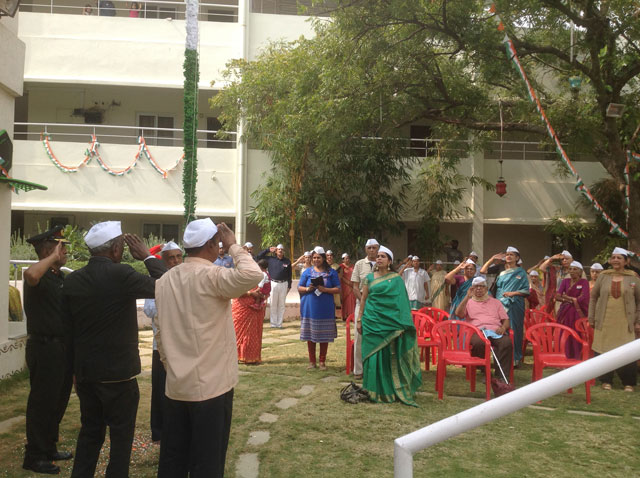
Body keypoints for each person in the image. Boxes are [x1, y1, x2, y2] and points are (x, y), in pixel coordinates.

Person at [155, 219, 262, 477]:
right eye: (219, 244)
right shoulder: (212, 276)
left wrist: (172, 368)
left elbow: (159, 333)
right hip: (211, 388)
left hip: (177, 385)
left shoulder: (165, 280)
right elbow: (253, 275)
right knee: (208, 462)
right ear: (213, 245)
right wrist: (235, 245)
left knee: (174, 459)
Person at [62, 221, 165, 478]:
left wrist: (74, 371)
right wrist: (148, 256)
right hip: (118, 375)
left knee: (90, 433)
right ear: (117, 248)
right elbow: (166, 283)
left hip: (87, 373)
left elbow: (68, 332)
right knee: (120, 438)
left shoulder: (73, 281)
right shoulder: (122, 275)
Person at [22, 226, 74, 475]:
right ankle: (34, 455)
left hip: (60, 348)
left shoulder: (57, 276)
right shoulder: (37, 274)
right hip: (43, 347)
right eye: (61, 247)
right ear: (49, 249)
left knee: (57, 402)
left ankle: (49, 446)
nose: (65, 252)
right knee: (42, 404)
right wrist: (51, 257)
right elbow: (31, 275)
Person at [357, 245, 422, 405]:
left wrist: (402, 323)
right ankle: (371, 390)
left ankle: (389, 391)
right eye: (377, 256)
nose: (378, 258)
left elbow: (401, 303)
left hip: (390, 324)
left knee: (387, 357)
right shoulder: (369, 278)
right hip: (371, 322)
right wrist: (359, 319)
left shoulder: (396, 279)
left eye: (382, 256)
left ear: (389, 261)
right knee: (372, 357)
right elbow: (364, 299)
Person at [143, 241, 183, 443]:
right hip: (161, 346)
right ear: (163, 260)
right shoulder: (157, 280)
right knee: (160, 390)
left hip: (182, 346)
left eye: (178, 257)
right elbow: (149, 310)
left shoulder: (187, 278)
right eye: (171, 258)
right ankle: (159, 432)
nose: (175, 261)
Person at [588, 247, 640, 392]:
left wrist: (637, 321)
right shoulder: (603, 276)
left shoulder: (633, 278)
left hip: (625, 322)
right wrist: (591, 317)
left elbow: (639, 301)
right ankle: (606, 380)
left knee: (627, 351)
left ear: (626, 261)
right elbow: (593, 297)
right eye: (613, 257)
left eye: (619, 258)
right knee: (604, 349)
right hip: (604, 320)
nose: (616, 260)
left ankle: (628, 382)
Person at [455, 276, 513, 382]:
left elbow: (506, 320)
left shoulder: (496, 302)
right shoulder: (468, 302)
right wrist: (467, 297)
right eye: (476, 287)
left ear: (486, 289)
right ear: (472, 289)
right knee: (479, 343)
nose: (478, 289)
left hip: (495, 330)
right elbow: (458, 314)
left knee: (506, 342)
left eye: (481, 286)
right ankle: (484, 370)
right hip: (477, 331)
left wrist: (503, 327)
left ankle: (501, 374)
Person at [481, 246, 530, 367]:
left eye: (511, 254)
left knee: (515, 329)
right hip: (499, 304)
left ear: (517, 258)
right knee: (499, 329)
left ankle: (515, 358)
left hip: (515, 304)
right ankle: (499, 357)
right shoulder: (500, 269)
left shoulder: (521, 272)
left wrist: (513, 293)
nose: (508, 256)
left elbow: (526, 291)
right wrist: (492, 259)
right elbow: (482, 271)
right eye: (507, 254)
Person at [298, 247, 340, 370]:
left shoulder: (331, 272)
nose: (316, 260)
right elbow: (299, 287)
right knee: (310, 335)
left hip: (325, 307)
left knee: (324, 335)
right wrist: (307, 289)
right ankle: (312, 362)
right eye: (314, 257)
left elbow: (338, 288)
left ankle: (322, 361)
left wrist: (325, 289)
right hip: (309, 307)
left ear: (323, 258)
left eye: (318, 257)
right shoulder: (307, 272)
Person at [350, 238, 380, 379]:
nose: (372, 250)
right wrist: (363, 301)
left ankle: (373, 369)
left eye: (374, 247)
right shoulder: (360, 264)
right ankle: (358, 370)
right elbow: (355, 286)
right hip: (361, 304)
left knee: (377, 337)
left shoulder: (383, 263)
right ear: (365, 249)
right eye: (369, 248)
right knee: (359, 336)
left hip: (378, 306)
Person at [232, 259, 271, 364]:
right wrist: (251, 293)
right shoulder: (237, 276)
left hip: (255, 309)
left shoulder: (258, 275)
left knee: (253, 332)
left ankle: (251, 357)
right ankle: (237, 356)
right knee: (238, 332)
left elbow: (265, 289)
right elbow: (234, 291)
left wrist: (262, 295)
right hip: (241, 308)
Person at [555, 261, 590, 359]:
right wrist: (572, 299)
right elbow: (557, 296)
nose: (572, 271)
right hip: (565, 312)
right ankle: (564, 355)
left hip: (577, 313)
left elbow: (584, 298)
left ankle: (576, 356)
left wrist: (568, 298)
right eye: (570, 269)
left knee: (576, 333)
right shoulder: (565, 281)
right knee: (564, 333)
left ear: (580, 271)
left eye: (575, 269)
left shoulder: (584, 282)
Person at [257, 244, 292, 328]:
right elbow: (258, 257)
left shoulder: (287, 261)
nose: (280, 250)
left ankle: (279, 324)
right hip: (273, 283)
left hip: (284, 284)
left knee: (281, 305)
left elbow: (289, 274)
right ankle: (273, 324)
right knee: (273, 303)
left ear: (283, 251)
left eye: (281, 249)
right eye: (278, 249)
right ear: (276, 251)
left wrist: (289, 286)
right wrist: (268, 250)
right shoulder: (270, 259)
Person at [339, 253, 356, 321]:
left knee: (352, 300)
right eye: (346, 258)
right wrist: (348, 283)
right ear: (343, 260)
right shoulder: (341, 267)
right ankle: (345, 315)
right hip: (345, 286)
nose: (347, 260)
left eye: (348, 258)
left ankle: (352, 315)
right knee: (345, 300)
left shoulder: (353, 266)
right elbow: (340, 276)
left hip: (352, 285)